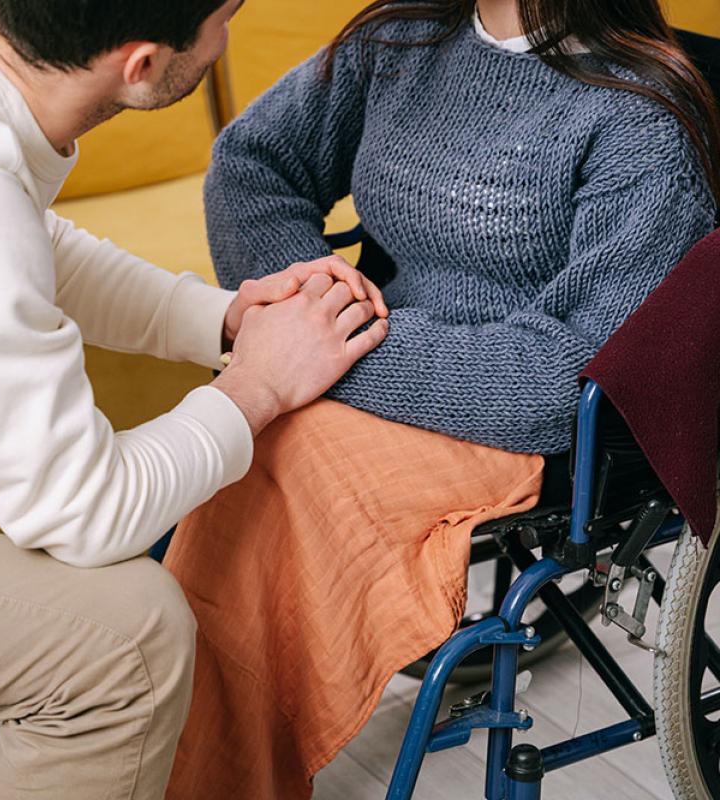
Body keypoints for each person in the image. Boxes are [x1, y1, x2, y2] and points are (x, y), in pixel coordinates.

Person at [163, 0, 720, 797]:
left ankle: (208, 771)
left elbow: (564, 378)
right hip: (379, 355)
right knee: (230, 440)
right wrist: (311, 302)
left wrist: (332, 349)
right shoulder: (397, 39)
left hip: (513, 408)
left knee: (284, 450)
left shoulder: (638, 116)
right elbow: (253, 165)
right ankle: (160, 745)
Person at [0, 0, 390, 798]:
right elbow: (80, 513)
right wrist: (259, 387)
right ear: (140, 66)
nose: (226, 38)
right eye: (223, 19)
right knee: (127, 640)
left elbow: (25, 245)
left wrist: (224, 316)